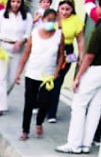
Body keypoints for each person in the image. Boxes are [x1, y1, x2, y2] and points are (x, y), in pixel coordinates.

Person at [56, 0, 101, 154]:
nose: (96, 8)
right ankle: (85, 144)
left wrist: (78, 77)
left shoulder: (100, 30)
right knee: (96, 105)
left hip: (96, 69)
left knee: (79, 104)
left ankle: (74, 144)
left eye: (98, 6)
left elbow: (89, 57)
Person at [13, 8, 64, 141]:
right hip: (32, 73)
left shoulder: (59, 35)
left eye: (54, 20)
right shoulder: (34, 34)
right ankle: (25, 130)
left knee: (44, 102)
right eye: (48, 20)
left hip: (48, 76)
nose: (51, 23)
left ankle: (39, 122)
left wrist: (56, 72)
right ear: (42, 20)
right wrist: (19, 72)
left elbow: (61, 56)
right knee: (29, 103)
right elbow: (26, 53)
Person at [0, 0, 32, 116]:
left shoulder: (27, 17)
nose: (15, 4)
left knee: (13, 78)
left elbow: (28, 33)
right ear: (9, 2)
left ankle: (2, 97)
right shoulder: (1, 15)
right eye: (13, 1)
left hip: (17, 49)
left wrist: (21, 41)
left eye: (18, 2)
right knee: (0, 77)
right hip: (2, 47)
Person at [46, 0, 85, 123]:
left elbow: (80, 40)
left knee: (58, 81)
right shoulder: (53, 18)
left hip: (68, 51)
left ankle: (51, 113)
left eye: (67, 9)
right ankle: (41, 105)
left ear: (72, 9)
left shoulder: (76, 20)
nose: (64, 12)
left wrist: (81, 56)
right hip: (52, 49)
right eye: (62, 9)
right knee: (46, 78)